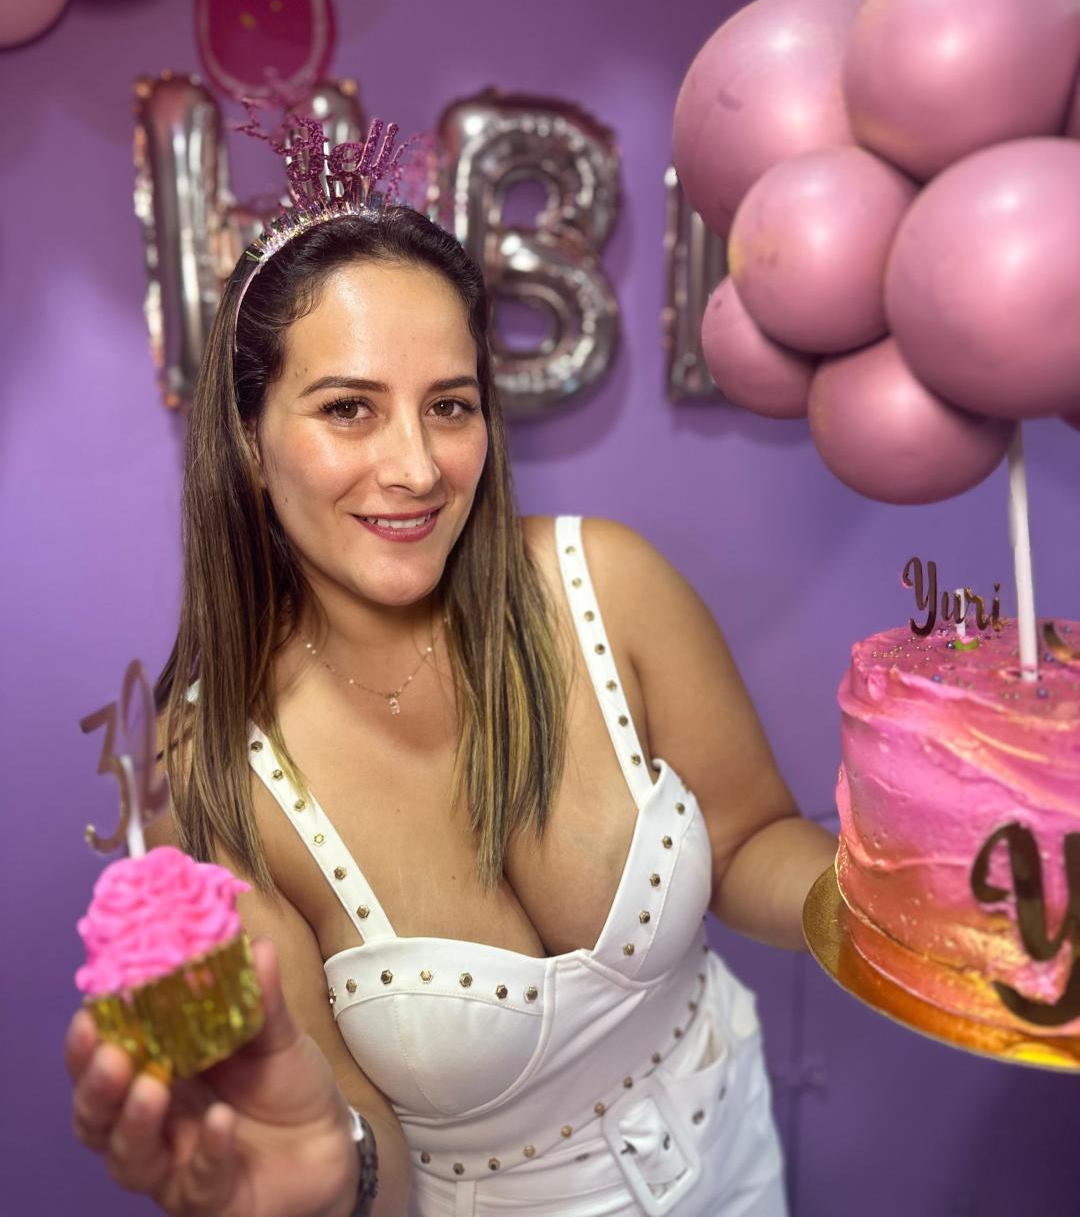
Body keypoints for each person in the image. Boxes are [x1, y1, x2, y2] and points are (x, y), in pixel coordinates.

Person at [68, 172, 836, 1215]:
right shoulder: (203, 771)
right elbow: (355, 1134)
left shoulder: (606, 582)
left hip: (734, 1155)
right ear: (249, 440)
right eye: (349, 409)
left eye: (450, 407)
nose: (418, 467)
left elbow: (745, 847)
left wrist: (899, 915)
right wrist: (333, 1178)